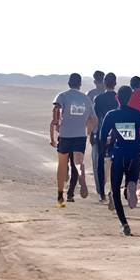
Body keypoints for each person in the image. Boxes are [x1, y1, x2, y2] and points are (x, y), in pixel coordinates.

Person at [99, 86, 140, 236]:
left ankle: (124, 224)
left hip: (118, 154)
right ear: (130, 98)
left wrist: (105, 149)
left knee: (115, 190)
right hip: (134, 154)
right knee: (131, 180)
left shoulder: (111, 115)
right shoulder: (137, 114)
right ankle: (131, 186)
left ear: (117, 98)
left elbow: (103, 135)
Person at [50, 73, 96, 207]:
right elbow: (93, 119)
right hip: (80, 135)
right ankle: (82, 178)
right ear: (80, 84)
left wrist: (56, 125)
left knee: (62, 165)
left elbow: (56, 109)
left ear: (69, 83)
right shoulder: (86, 99)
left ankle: (60, 195)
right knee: (78, 163)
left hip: (65, 135)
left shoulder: (62, 96)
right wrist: (88, 131)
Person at [92, 73, 119, 203]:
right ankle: (113, 191)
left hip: (101, 133)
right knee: (115, 162)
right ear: (115, 83)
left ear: (104, 83)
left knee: (100, 162)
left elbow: (95, 118)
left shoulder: (98, 98)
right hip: (116, 134)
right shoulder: (118, 98)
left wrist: (93, 133)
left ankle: (101, 193)